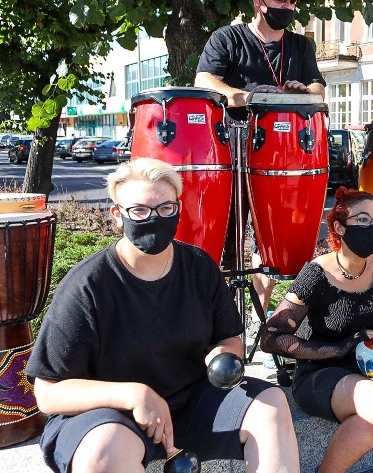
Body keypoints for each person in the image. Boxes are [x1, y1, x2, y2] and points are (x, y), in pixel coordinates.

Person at [26, 158, 299, 473]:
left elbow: (227, 338)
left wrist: (223, 356)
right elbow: (47, 392)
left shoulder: (199, 267)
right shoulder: (87, 285)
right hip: (110, 416)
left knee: (271, 404)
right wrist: (134, 395)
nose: (154, 218)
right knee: (104, 449)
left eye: (166, 208)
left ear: (178, 209)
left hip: (189, 403)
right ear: (117, 216)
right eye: (140, 210)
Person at [260, 187, 373, 473]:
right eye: (363, 220)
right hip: (322, 371)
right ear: (338, 226)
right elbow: (272, 339)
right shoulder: (316, 274)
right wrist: (342, 346)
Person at [195, 0, 327, 337]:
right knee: (226, 243)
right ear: (259, 1)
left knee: (272, 244)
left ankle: (258, 322)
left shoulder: (301, 46)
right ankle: (219, 327)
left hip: (281, 159)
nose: (287, 7)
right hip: (233, 150)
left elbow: (318, 88)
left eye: (292, 1)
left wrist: (303, 90)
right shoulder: (228, 38)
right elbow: (204, 81)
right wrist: (246, 96)